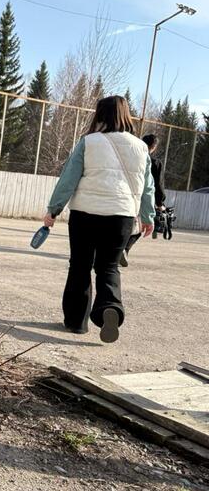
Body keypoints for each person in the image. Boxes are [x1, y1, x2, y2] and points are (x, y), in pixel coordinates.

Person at [43, 96, 155, 344]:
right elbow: (148, 187)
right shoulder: (141, 148)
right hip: (122, 217)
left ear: (100, 115)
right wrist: (148, 217)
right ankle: (110, 307)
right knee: (108, 267)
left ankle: (76, 322)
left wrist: (53, 209)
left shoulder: (89, 142)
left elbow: (68, 179)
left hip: (85, 214)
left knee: (80, 265)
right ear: (127, 115)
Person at [120, 133, 166, 265]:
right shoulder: (155, 163)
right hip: (144, 198)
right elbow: (156, 184)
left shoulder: (130, 157)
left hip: (127, 194)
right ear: (154, 147)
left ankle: (111, 250)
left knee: (122, 223)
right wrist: (160, 202)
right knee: (140, 226)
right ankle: (124, 248)